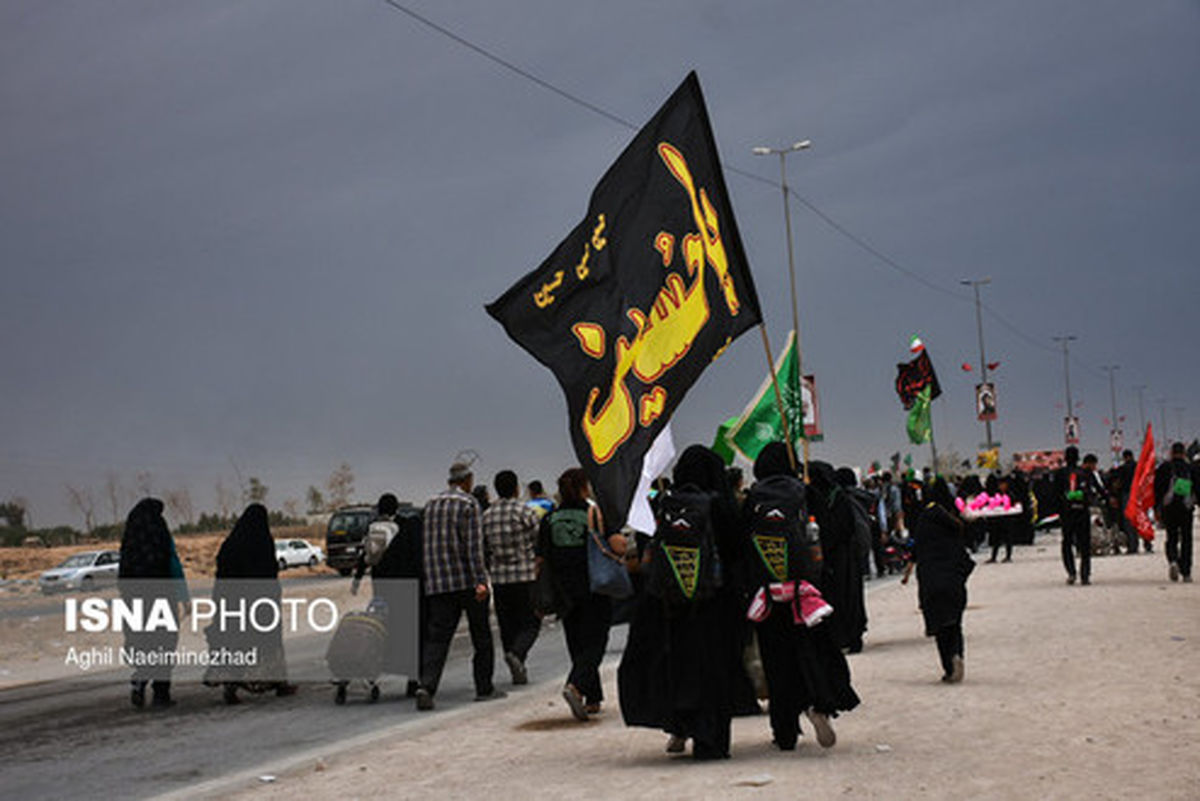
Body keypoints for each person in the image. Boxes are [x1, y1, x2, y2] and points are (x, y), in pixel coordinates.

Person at [618, 445, 753, 760]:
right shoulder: (720, 506)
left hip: (672, 604)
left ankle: (680, 726)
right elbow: (737, 550)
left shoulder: (667, 504)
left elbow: (649, 550)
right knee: (715, 669)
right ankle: (712, 740)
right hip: (716, 603)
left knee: (679, 666)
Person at [743, 443, 859, 751]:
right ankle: (817, 704)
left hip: (767, 595)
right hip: (806, 593)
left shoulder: (753, 497)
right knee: (811, 651)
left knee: (776, 661)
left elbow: (743, 545)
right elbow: (827, 535)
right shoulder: (804, 493)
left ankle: (784, 732)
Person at [536, 467, 623, 720]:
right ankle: (575, 685)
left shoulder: (550, 519)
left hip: (562, 590)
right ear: (585, 488)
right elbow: (617, 546)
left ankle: (592, 697)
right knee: (596, 641)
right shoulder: (594, 513)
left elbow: (541, 559)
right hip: (594, 584)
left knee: (577, 642)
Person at [415, 462, 500, 710]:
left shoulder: (430, 505)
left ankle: (426, 686)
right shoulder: (468, 504)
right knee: (481, 636)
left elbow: (426, 546)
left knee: (437, 639)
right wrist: (481, 581)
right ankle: (484, 688)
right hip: (466, 582)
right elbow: (473, 547)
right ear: (468, 480)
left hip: (439, 583)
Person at [204, 503, 295, 704]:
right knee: (269, 642)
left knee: (237, 643)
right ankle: (278, 683)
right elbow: (269, 573)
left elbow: (221, 577)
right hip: (260, 603)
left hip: (233, 604)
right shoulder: (262, 542)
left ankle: (232, 686)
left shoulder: (230, 544)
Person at [118, 498, 188, 708]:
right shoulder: (160, 534)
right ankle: (160, 694)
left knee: (143, 642)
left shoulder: (129, 541)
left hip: (135, 601)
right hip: (161, 596)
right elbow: (173, 565)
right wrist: (184, 597)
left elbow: (122, 576)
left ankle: (141, 677)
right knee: (164, 644)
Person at [902, 478, 975, 682]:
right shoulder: (953, 520)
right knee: (955, 624)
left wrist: (908, 572)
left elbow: (916, 549)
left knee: (940, 626)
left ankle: (948, 668)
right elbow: (966, 553)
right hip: (953, 579)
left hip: (931, 578)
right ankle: (957, 654)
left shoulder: (924, 519)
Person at [354, 493, 424, 695]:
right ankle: (413, 680)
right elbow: (416, 555)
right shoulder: (408, 526)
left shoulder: (374, 528)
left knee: (386, 630)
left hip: (383, 589)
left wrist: (357, 579)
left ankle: (381, 669)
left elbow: (366, 556)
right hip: (407, 588)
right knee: (410, 633)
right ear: (396, 508)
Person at [481, 469, 542, 685]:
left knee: (507, 625)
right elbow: (538, 540)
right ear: (516, 488)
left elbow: (484, 548)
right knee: (531, 622)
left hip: (499, 579)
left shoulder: (487, 515)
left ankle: (516, 663)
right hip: (525, 576)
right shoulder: (524, 511)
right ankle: (517, 654)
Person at [1055, 448, 1105, 585]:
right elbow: (1098, 489)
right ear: (1078, 458)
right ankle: (1085, 575)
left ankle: (1071, 572)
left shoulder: (1060, 473)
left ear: (1065, 458)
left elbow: (1055, 494)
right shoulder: (1086, 473)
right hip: (1082, 511)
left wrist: (1059, 511)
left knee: (1067, 542)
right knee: (1084, 543)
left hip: (1066, 512)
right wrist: (1106, 499)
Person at [1155, 442, 1198, 583]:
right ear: (1184, 453)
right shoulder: (1191, 468)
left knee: (1171, 536)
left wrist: (1157, 508)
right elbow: (1198, 487)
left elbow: (1157, 489)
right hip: (1186, 508)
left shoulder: (1164, 467)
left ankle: (1173, 559)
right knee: (1186, 539)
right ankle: (1186, 572)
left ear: (1171, 453)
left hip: (1169, 507)